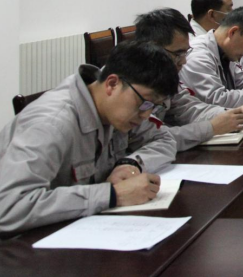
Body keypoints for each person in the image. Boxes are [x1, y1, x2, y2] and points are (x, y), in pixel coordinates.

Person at [0, 41, 179, 235]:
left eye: (154, 106)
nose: (146, 114)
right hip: (22, 242)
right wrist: (112, 195)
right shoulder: (51, 124)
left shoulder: (117, 108)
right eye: (145, 103)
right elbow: (8, 207)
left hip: (75, 228)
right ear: (112, 84)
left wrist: (130, 163)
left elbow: (165, 139)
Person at [135, 8, 243, 151]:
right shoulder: (131, 83)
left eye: (186, 53)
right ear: (153, 48)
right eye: (178, 54)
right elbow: (153, 138)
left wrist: (230, 114)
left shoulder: (165, 76)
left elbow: (188, 107)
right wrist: (210, 128)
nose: (184, 61)